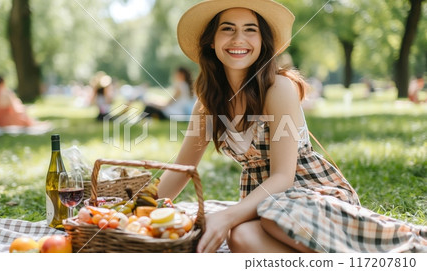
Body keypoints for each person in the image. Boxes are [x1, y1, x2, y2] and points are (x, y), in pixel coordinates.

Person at [157, 0, 427, 253]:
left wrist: (227, 215)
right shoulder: (208, 105)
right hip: (261, 205)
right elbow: (182, 170)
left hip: (307, 195)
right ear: (211, 42)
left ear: (263, 41)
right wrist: (134, 207)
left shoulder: (278, 87)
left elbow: (283, 178)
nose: (238, 39)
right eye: (227, 29)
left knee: (269, 219)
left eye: (250, 30)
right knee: (240, 238)